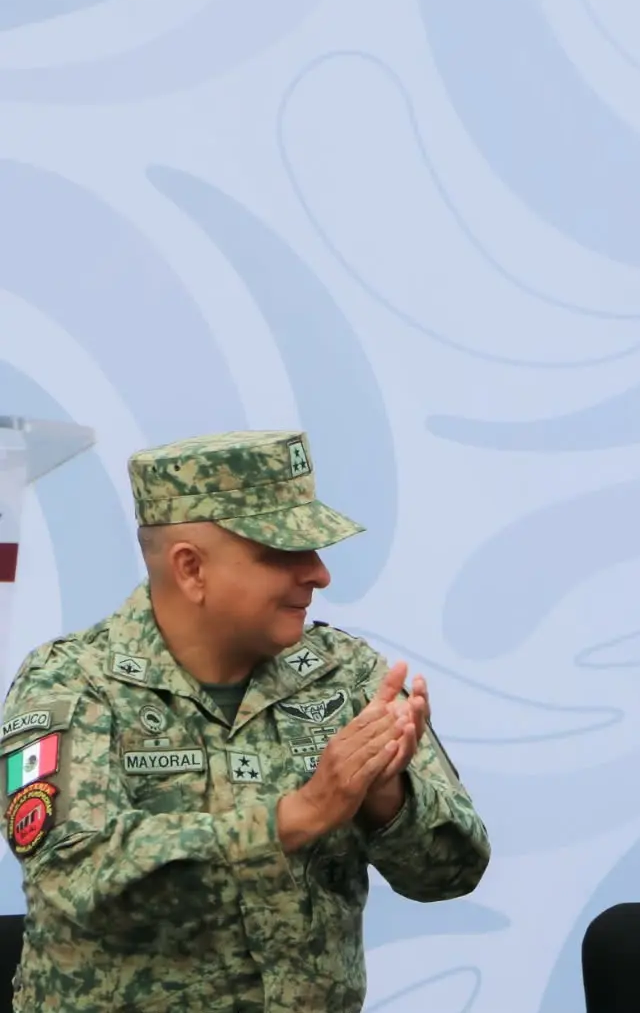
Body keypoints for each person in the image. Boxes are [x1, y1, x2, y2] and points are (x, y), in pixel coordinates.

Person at [1, 430, 490, 1011]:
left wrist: (387, 797)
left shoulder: (347, 674)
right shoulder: (71, 683)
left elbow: (452, 872)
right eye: (282, 553)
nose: (319, 574)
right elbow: (73, 874)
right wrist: (297, 816)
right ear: (191, 569)